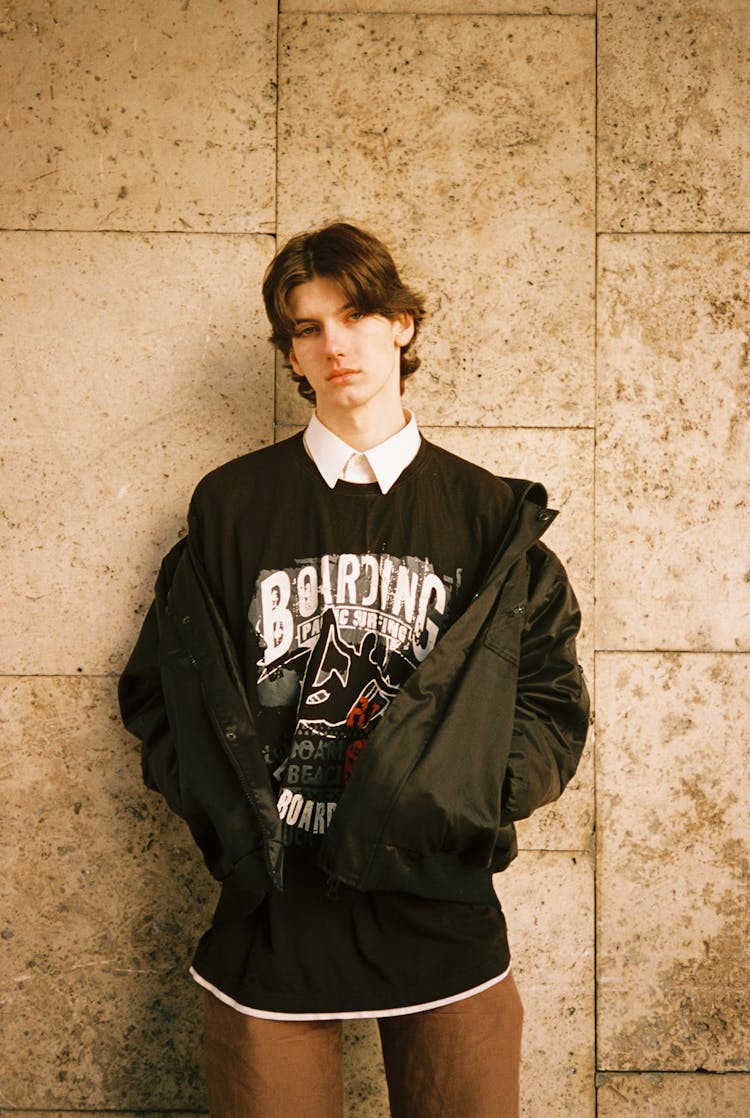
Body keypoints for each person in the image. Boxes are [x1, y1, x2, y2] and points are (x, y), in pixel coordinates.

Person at [118, 222, 590, 1118]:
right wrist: (216, 808)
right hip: (272, 915)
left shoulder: (488, 512)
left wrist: (475, 806)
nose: (335, 344)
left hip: (443, 908)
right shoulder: (231, 504)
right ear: (290, 353)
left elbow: (551, 696)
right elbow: (158, 688)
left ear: (403, 326)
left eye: (358, 314)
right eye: (307, 326)